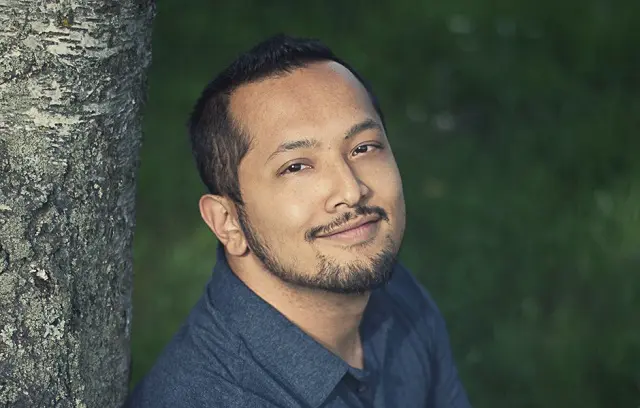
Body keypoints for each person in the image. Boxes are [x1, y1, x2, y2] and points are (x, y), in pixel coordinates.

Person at [126, 34, 472, 408]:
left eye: (363, 148)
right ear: (227, 222)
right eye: (296, 167)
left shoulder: (396, 295)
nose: (351, 191)